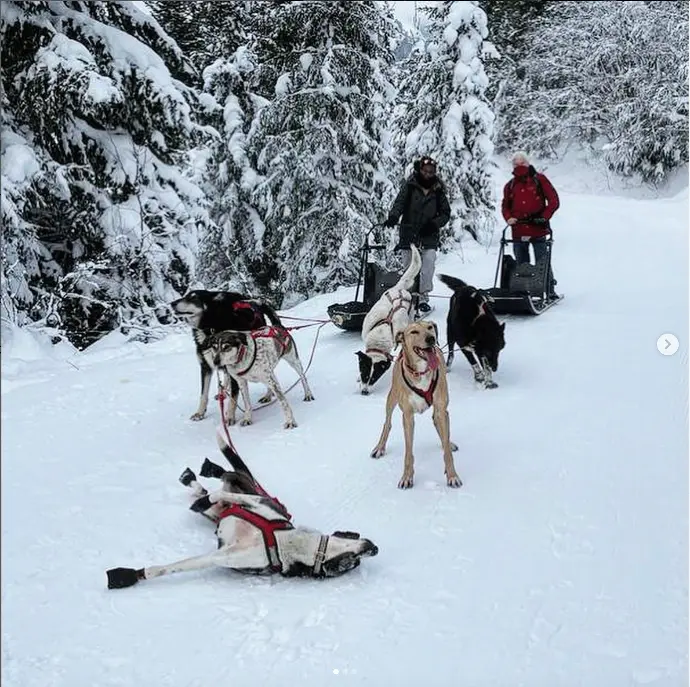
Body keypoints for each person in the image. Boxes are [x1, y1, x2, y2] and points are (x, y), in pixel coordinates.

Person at [383, 156, 451, 315]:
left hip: (429, 235)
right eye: (425, 171)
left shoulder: (438, 189)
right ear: (420, 170)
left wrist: (434, 224)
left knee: (428, 265)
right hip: (409, 233)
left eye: (431, 172)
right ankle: (408, 298)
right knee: (409, 268)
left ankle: (423, 298)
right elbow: (399, 203)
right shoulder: (410, 185)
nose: (428, 174)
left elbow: (446, 213)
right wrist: (393, 216)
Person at [501, 151, 560, 299]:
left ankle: (549, 289)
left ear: (528, 163)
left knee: (542, 261)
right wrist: (508, 218)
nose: (519, 166)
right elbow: (505, 206)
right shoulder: (510, 185)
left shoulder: (539, 180)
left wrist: (544, 217)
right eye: (516, 164)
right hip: (518, 230)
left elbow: (554, 201)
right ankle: (524, 291)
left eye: (522, 163)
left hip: (538, 228)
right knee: (522, 263)